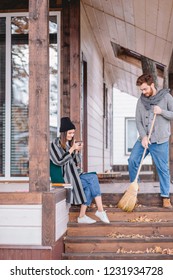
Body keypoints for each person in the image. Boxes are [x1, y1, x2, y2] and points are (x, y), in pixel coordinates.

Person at [50, 117, 110, 223]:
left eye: (73, 133)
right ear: (63, 133)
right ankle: (96, 212)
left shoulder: (69, 145)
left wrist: (76, 151)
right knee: (91, 179)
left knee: (91, 182)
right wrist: (72, 149)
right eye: (70, 133)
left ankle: (84, 216)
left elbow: (76, 162)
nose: (72, 135)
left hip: (74, 174)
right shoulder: (54, 145)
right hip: (64, 177)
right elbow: (59, 161)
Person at [128, 73, 173, 208]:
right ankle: (134, 188)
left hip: (160, 140)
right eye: (141, 90)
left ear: (152, 85)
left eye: (145, 89)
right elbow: (137, 120)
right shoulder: (141, 101)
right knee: (132, 161)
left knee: (163, 168)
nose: (143, 92)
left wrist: (161, 112)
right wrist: (144, 136)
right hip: (144, 139)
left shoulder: (166, 97)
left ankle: (165, 197)